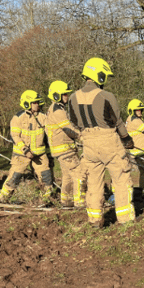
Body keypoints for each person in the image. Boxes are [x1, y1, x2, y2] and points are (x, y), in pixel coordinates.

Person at [67, 57, 135, 227]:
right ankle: (125, 219)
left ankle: (95, 219)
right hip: (108, 141)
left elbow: (74, 121)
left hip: (88, 143)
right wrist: (127, 139)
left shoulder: (72, 98)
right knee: (121, 178)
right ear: (99, 75)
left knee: (94, 183)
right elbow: (117, 121)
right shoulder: (106, 96)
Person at [0, 90, 54, 205]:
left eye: (38, 102)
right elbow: (14, 136)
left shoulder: (43, 117)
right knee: (15, 176)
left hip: (40, 154)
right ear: (27, 103)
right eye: (35, 103)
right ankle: (4, 198)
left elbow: (51, 132)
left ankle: (46, 199)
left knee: (46, 176)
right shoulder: (18, 118)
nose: (38, 105)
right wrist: (25, 149)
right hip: (21, 154)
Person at [46, 81, 86, 209]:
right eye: (64, 95)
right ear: (57, 95)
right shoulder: (57, 110)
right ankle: (80, 202)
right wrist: (83, 137)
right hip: (65, 149)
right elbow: (68, 129)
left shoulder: (56, 109)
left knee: (67, 176)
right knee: (79, 173)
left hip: (61, 149)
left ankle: (66, 201)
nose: (67, 97)